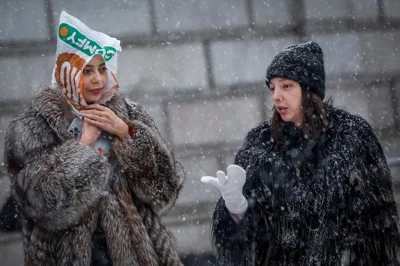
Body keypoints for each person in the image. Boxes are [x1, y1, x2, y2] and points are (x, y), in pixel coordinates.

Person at [4, 12, 185, 266]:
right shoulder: (34, 126)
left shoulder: (130, 115)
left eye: (102, 69)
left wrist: (126, 134)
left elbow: (164, 192)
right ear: (67, 72)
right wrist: (82, 146)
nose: (98, 79)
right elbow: (38, 206)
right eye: (86, 71)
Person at [201, 41, 400, 265]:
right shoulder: (260, 145)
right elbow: (249, 236)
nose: (276, 95)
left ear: (309, 90)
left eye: (286, 86)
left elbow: (378, 222)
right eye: (273, 87)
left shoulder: (353, 137)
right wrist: (237, 208)